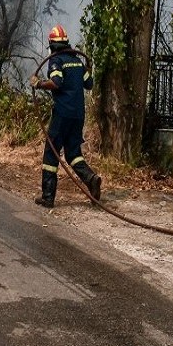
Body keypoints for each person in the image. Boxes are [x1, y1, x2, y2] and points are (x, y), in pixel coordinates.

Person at [29, 24, 100, 208]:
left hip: (62, 115)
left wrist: (38, 84)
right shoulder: (77, 62)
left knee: (51, 153)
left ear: (52, 45)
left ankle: (48, 197)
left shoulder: (56, 61)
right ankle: (91, 179)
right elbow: (90, 84)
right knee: (73, 153)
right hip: (78, 116)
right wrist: (88, 69)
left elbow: (57, 82)